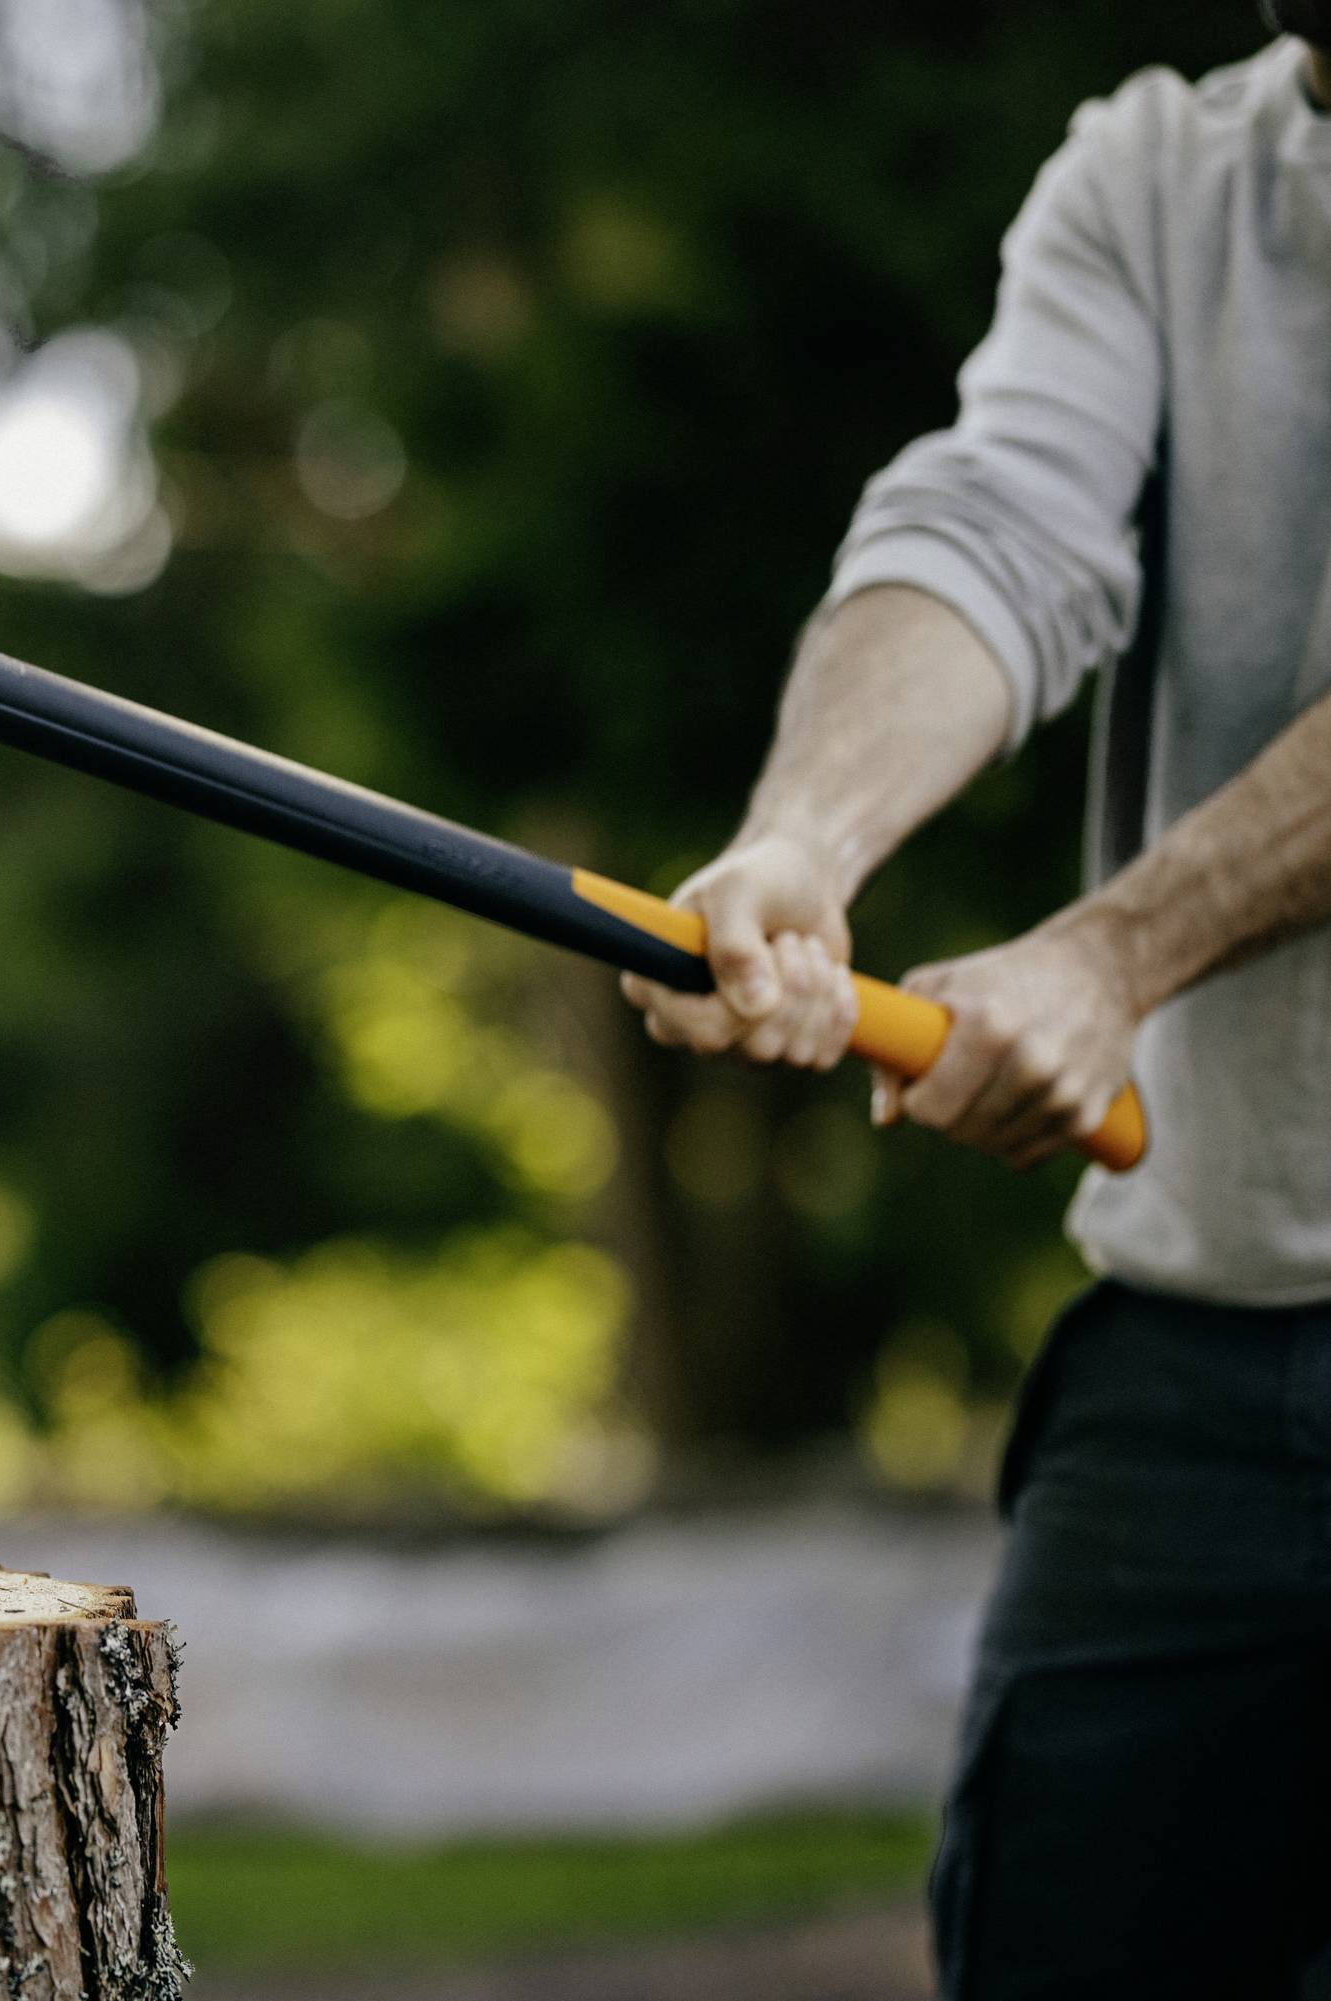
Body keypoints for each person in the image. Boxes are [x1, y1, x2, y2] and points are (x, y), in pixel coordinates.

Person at [618, 12, 1331, 1997]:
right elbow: (999, 523)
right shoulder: (1159, 174)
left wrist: (1110, 955)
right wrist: (799, 848)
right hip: (1195, 1356)